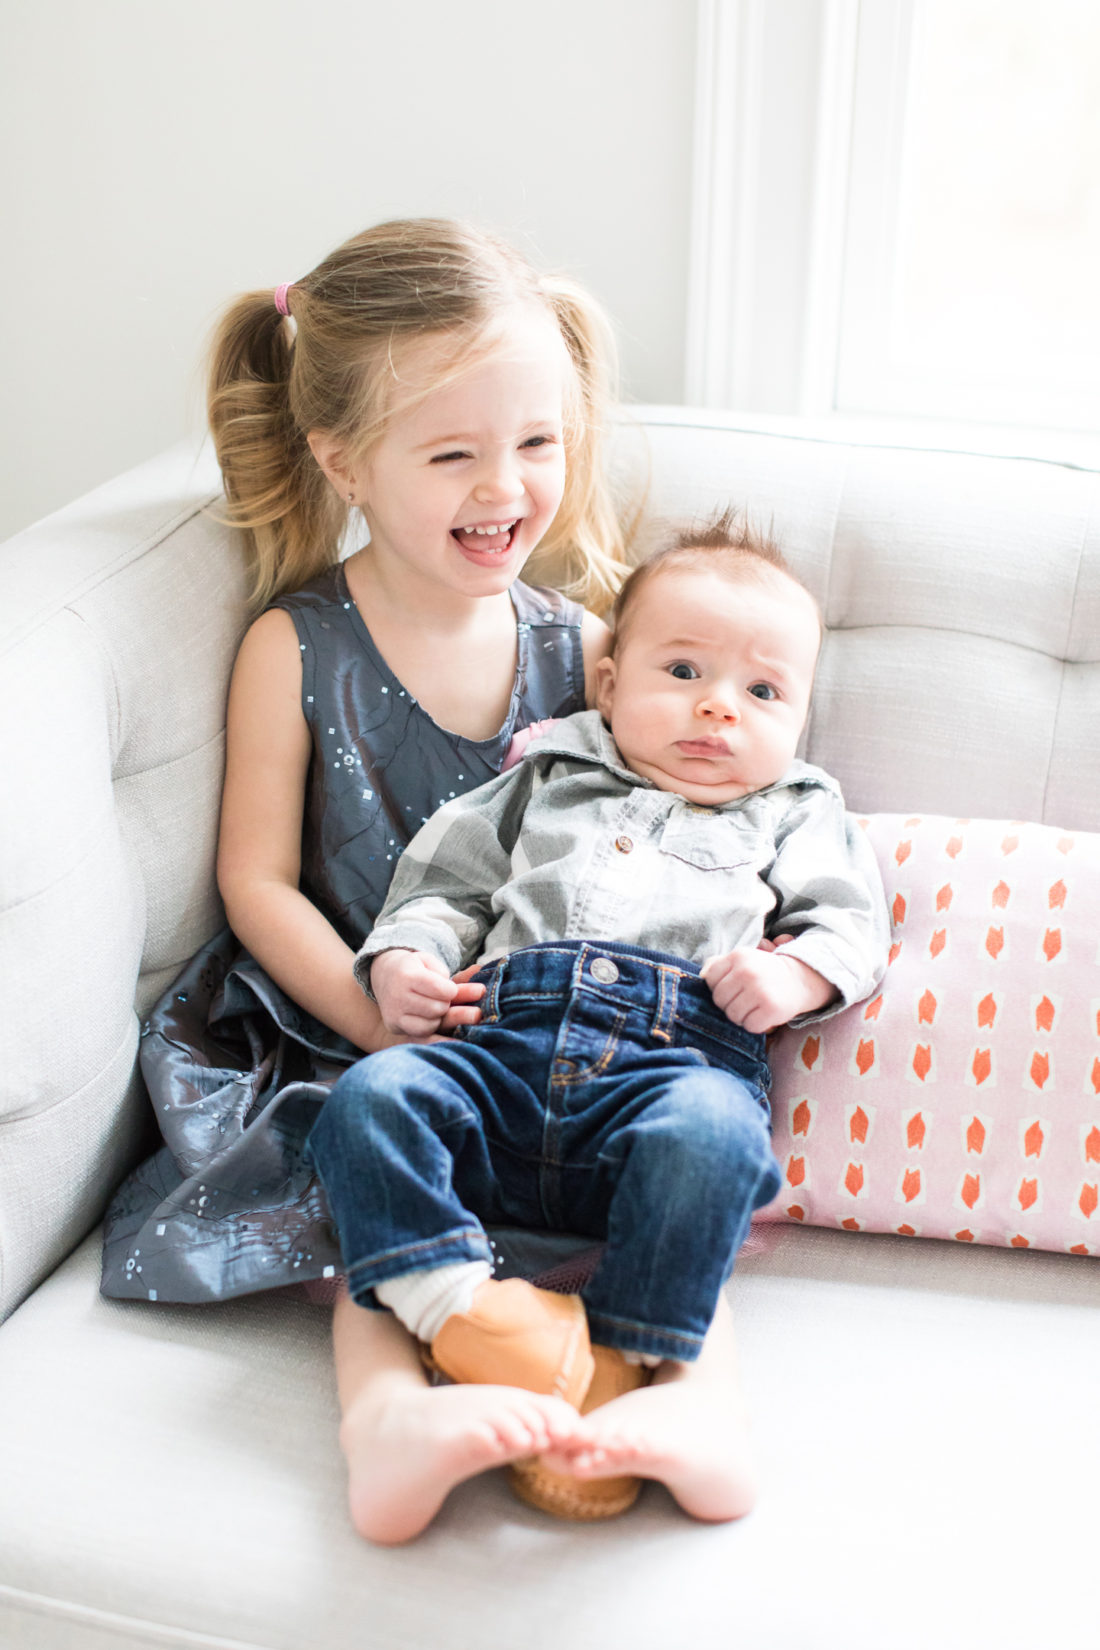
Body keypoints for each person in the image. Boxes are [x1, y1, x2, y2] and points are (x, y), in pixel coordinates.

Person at [96, 218, 754, 1548]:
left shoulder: (590, 650)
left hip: (556, 1037)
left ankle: (690, 1399)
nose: (505, 487)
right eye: (452, 453)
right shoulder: (298, 644)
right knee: (371, 1157)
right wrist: (362, 1007)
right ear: (344, 460)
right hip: (358, 1020)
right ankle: (388, 1414)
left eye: (536, 444)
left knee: (691, 1168)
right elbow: (254, 879)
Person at [307, 515, 890, 1528]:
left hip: (669, 1071)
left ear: (796, 722)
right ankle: (461, 1313)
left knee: (715, 1139)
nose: (717, 706)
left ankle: (624, 1364)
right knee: (369, 1098)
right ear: (610, 684)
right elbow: (445, 888)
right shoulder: (543, 776)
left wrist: (793, 977)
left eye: (762, 692)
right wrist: (405, 959)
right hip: (493, 1055)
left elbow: (848, 921)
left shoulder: (795, 807)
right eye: (682, 670)